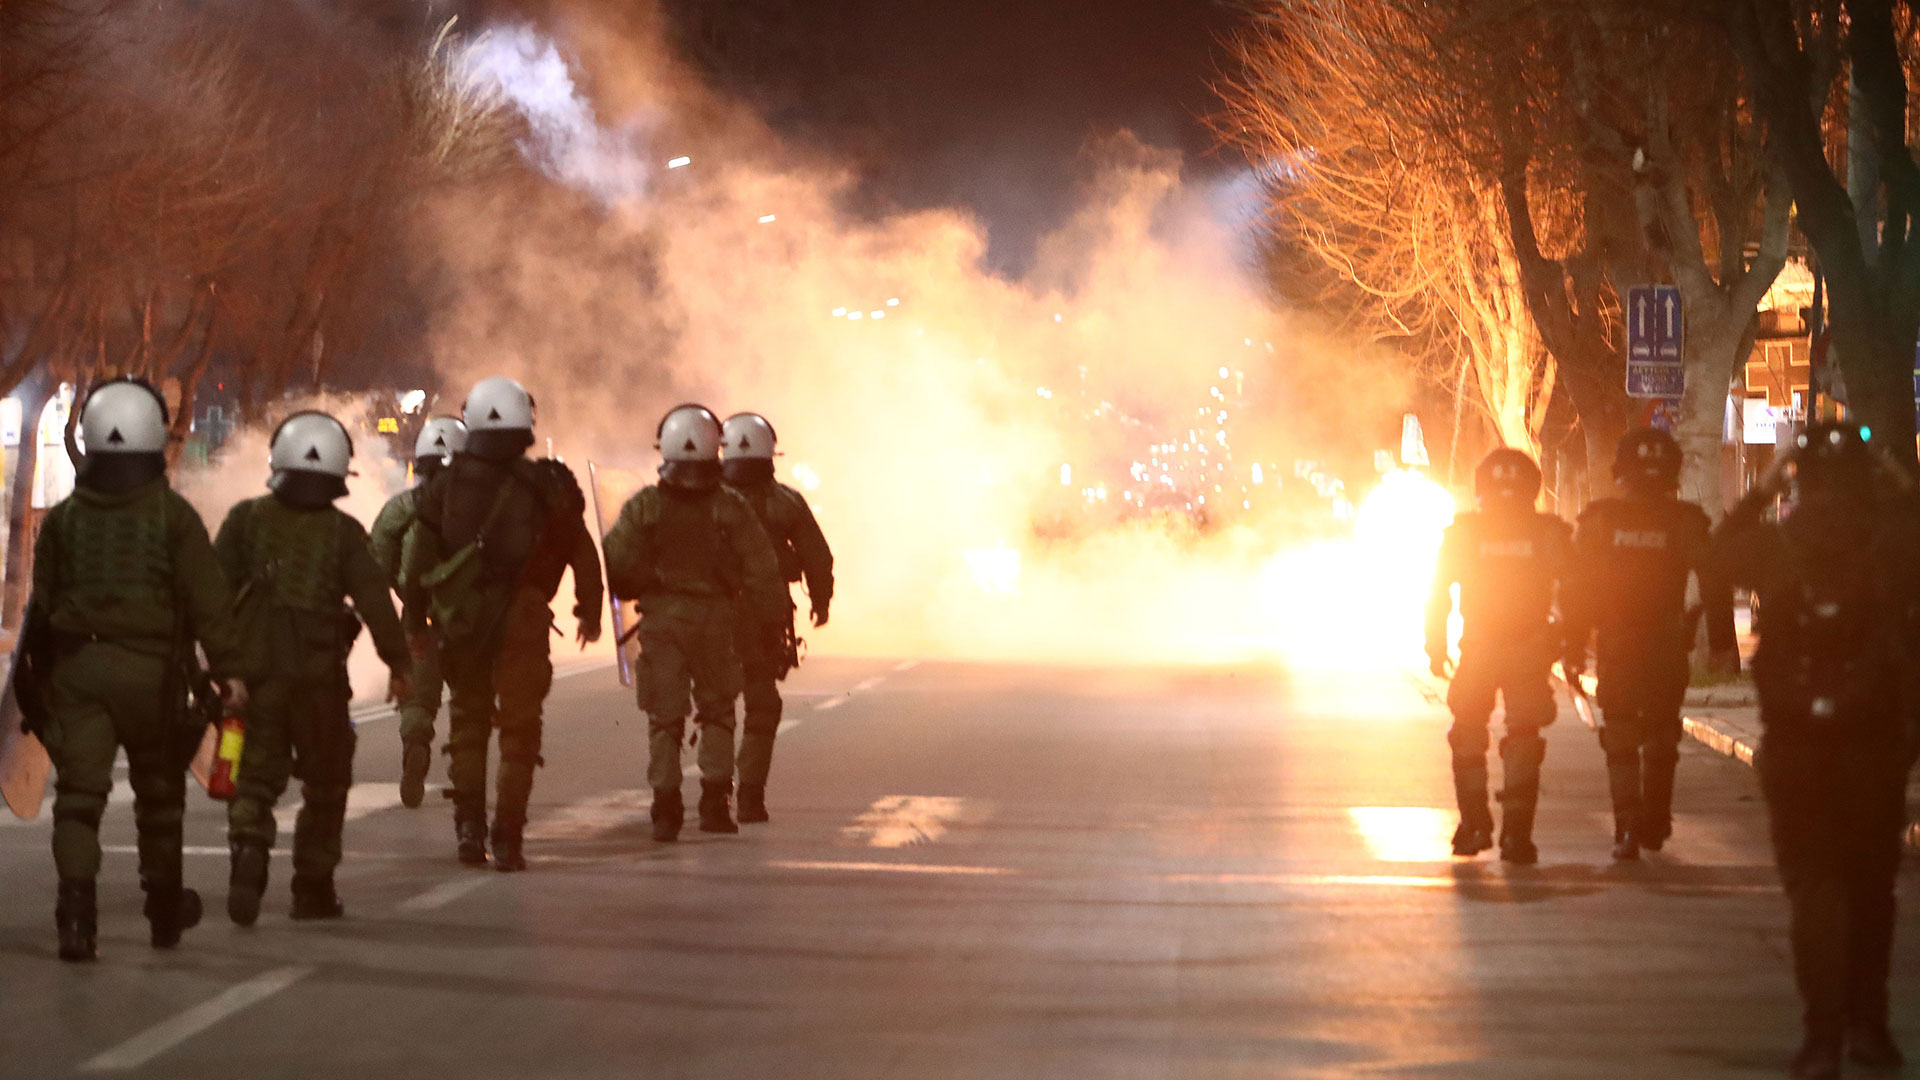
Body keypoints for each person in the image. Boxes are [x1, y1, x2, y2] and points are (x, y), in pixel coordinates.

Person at [1710, 422, 1920, 1079]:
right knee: (1871, 890)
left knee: (1815, 888)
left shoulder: (1778, 545)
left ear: (1803, 480)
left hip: (1797, 744)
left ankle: (1821, 1038)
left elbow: (1715, 558)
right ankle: (1870, 1027)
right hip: (1876, 745)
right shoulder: (1894, 545)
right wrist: (1899, 478)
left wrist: (1765, 486)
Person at [26, 377, 248, 960]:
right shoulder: (174, 517)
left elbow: (42, 606)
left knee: (79, 798)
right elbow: (208, 602)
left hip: (78, 672)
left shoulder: (63, 520)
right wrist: (229, 672)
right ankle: (164, 909)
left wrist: (38, 683)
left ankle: (77, 919)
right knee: (159, 794)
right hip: (152, 676)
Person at [400, 377, 603, 871]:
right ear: (525, 422)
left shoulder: (444, 484)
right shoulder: (547, 484)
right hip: (524, 620)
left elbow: (418, 558)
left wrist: (415, 623)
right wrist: (590, 612)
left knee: (468, 723)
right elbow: (582, 551)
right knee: (519, 728)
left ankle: (469, 829)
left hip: (463, 620)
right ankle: (508, 835)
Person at [218, 411, 411, 924]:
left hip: (256, 677)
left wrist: (221, 668)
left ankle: (248, 847)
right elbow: (375, 602)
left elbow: (210, 597)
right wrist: (399, 664)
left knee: (254, 778)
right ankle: (312, 888)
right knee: (327, 783)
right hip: (320, 681)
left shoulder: (244, 520)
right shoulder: (344, 533)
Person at [602, 404, 784, 842]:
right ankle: (715, 804)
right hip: (716, 623)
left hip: (661, 625)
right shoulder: (730, 506)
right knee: (718, 711)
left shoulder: (644, 505)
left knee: (665, 717)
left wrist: (645, 581)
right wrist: (771, 625)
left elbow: (616, 563)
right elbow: (762, 569)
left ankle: (666, 809)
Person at [1563, 428, 1730, 859]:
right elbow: (1715, 580)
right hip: (1666, 644)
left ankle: (1626, 827)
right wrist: (1720, 642)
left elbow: (1576, 590)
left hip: (1617, 644)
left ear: (1621, 471)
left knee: (1620, 735)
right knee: (1661, 734)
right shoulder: (1687, 522)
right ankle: (1655, 820)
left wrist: (1573, 648)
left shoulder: (1600, 520)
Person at [1425, 447, 1572, 864]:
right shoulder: (1548, 532)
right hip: (1530, 648)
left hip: (1479, 647)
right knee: (1524, 736)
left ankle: (1474, 825)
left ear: (1481, 487)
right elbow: (1577, 592)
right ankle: (1517, 836)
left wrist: (1435, 645)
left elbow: (1439, 594)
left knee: (1467, 732)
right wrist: (1570, 642)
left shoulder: (1464, 533)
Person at [719, 412, 833, 823]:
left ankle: (712, 794)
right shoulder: (786, 501)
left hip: (712, 616)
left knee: (714, 704)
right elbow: (816, 556)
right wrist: (821, 600)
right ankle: (750, 796)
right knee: (762, 703)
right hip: (765, 616)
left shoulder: (701, 499)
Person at [370, 415, 466, 809]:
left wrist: (402, 592)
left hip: (418, 614)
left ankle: (415, 746)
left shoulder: (401, 508)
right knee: (468, 698)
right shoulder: (481, 509)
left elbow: (378, 561)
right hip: (468, 619)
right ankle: (465, 769)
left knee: (418, 700)